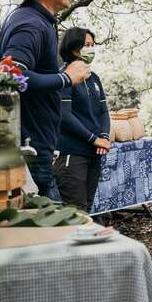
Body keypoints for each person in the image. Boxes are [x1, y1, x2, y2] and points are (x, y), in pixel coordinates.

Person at [0, 0, 91, 197]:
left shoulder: (38, 20)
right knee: (36, 225)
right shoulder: (30, 24)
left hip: (35, 145)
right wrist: (65, 78)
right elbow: (11, 77)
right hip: (28, 149)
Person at [55, 28, 111, 211]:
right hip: (72, 155)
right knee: (76, 212)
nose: (91, 49)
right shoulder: (63, 78)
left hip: (93, 154)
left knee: (86, 208)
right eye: (87, 45)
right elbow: (65, 116)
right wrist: (95, 140)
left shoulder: (94, 78)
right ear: (74, 48)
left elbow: (103, 112)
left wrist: (104, 137)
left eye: (93, 45)